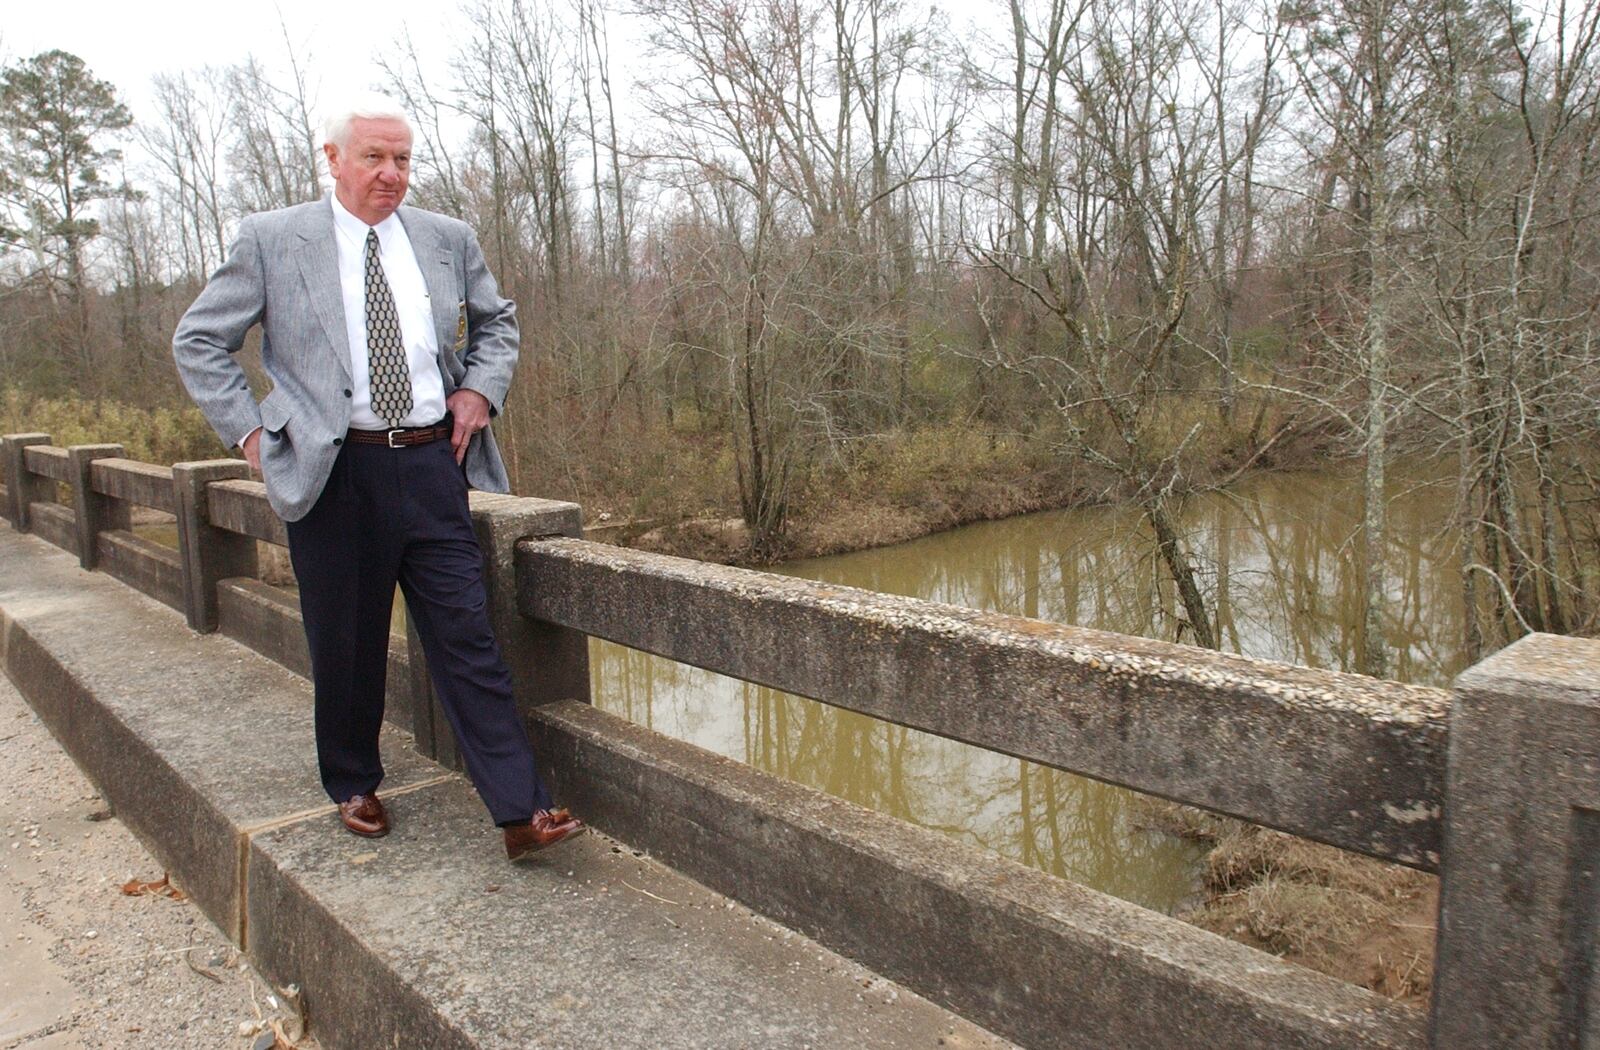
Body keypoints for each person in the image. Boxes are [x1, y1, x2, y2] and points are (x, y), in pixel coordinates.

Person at [172, 93, 583, 862]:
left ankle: (521, 812)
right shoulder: (272, 240)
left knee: (467, 638)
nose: (391, 174)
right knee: (347, 641)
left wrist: (479, 391)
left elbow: (499, 324)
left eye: (402, 160)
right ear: (333, 160)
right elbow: (198, 340)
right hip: (335, 472)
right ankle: (353, 781)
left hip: (433, 464)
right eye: (374, 158)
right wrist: (252, 432)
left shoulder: (445, 237)